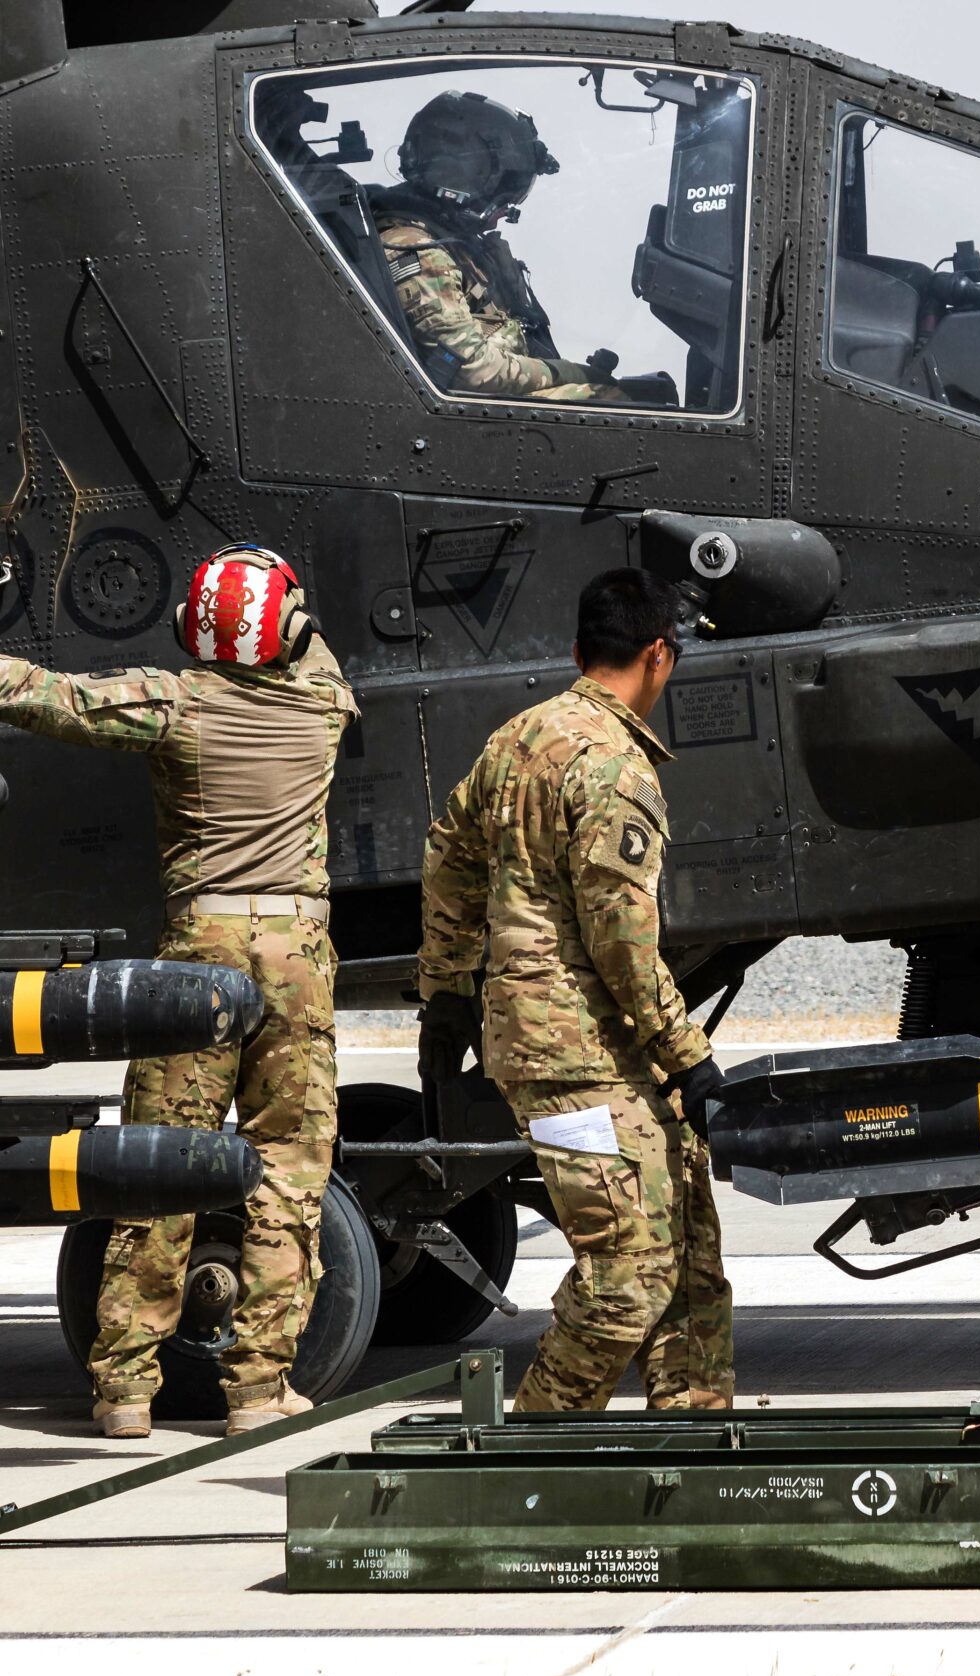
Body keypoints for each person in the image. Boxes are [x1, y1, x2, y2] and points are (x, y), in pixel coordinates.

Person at [0, 544, 355, 1438]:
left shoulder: (175, 702)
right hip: (296, 952)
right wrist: (286, 614)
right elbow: (308, 641)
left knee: (161, 1164)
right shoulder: (324, 701)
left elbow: (52, 696)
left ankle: (125, 1388)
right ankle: (258, 1390)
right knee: (287, 1169)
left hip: (200, 957)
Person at [415, 569, 730, 1412]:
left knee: (685, 1227)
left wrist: (447, 986)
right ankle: (534, 1436)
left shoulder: (515, 739)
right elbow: (621, 939)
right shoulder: (615, 767)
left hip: (587, 1048)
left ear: (578, 651)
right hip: (571, 1057)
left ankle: (693, 1418)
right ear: (659, 654)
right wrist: (689, 1058)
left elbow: (446, 854)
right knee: (629, 1267)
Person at [373, 90, 630, 403]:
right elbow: (472, 369)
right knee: (608, 401)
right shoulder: (416, 250)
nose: (505, 211)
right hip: (466, 413)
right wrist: (573, 373)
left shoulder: (454, 246)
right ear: (464, 177)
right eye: (502, 194)